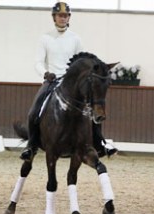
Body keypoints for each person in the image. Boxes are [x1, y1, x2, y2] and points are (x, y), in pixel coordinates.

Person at [20, 2, 117, 161]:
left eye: (65, 16)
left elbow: (82, 62)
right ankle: (31, 146)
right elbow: (38, 62)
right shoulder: (45, 38)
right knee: (33, 112)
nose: (63, 18)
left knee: (91, 108)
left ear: (69, 17)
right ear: (54, 17)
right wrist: (46, 73)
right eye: (60, 15)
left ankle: (101, 143)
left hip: (71, 83)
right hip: (51, 81)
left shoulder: (75, 39)